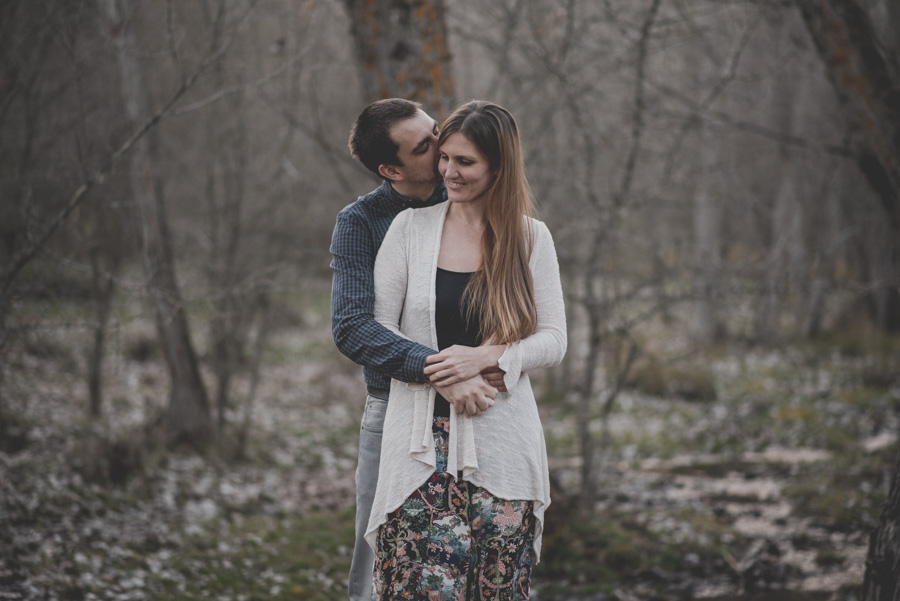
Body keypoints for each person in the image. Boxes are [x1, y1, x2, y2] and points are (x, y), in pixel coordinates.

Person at [366, 100, 567, 599]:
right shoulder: (409, 230)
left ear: (498, 166)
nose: (448, 172)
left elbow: (554, 338)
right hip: (418, 452)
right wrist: (447, 374)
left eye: (465, 162)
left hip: (505, 448)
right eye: (444, 157)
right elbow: (377, 329)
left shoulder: (530, 238)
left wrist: (487, 356)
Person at [330, 98, 504, 601]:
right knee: (378, 561)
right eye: (426, 146)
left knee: (480, 557)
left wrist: (491, 359)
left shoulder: (479, 200)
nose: (443, 146)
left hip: (483, 407)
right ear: (391, 170)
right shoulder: (362, 222)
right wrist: (442, 370)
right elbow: (353, 328)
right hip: (396, 411)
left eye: (437, 129)